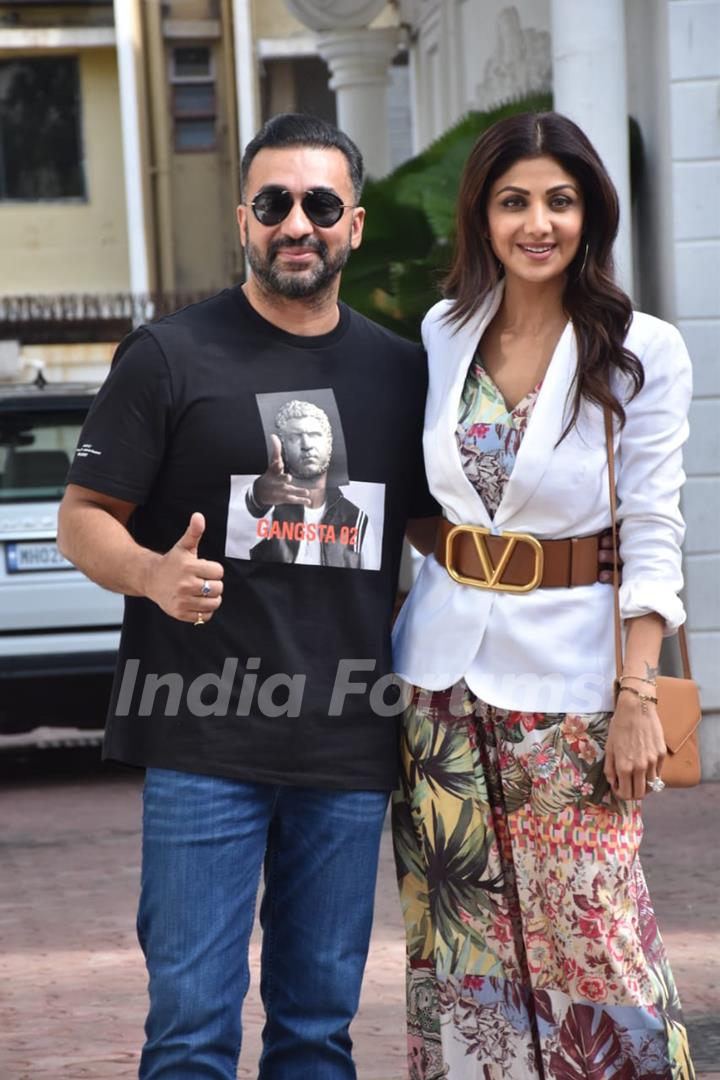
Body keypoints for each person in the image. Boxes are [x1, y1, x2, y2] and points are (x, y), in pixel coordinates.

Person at [56, 113, 438, 1079]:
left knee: (318, 1030)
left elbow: (442, 535)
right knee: (189, 1031)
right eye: (274, 204)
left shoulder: (403, 373)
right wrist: (150, 572)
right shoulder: (169, 356)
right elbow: (83, 515)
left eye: (319, 203)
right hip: (202, 738)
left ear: (355, 221)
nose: (296, 223)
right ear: (243, 220)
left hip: (349, 743)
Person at [391, 111, 695, 1078]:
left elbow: (653, 530)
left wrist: (637, 695)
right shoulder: (444, 333)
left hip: (573, 689)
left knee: (597, 940)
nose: (537, 223)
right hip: (441, 687)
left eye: (558, 202)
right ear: (481, 216)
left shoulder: (641, 347)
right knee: (463, 947)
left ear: (588, 214)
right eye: (514, 201)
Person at [226, 397, 375, 567]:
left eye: (314, 435)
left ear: (329, 443)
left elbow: (371, 585)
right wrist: (257, 498)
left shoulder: (357, 520)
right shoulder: (265, 511)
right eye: (295, 437)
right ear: (283, 446)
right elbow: (232, 543)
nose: (306, 445)